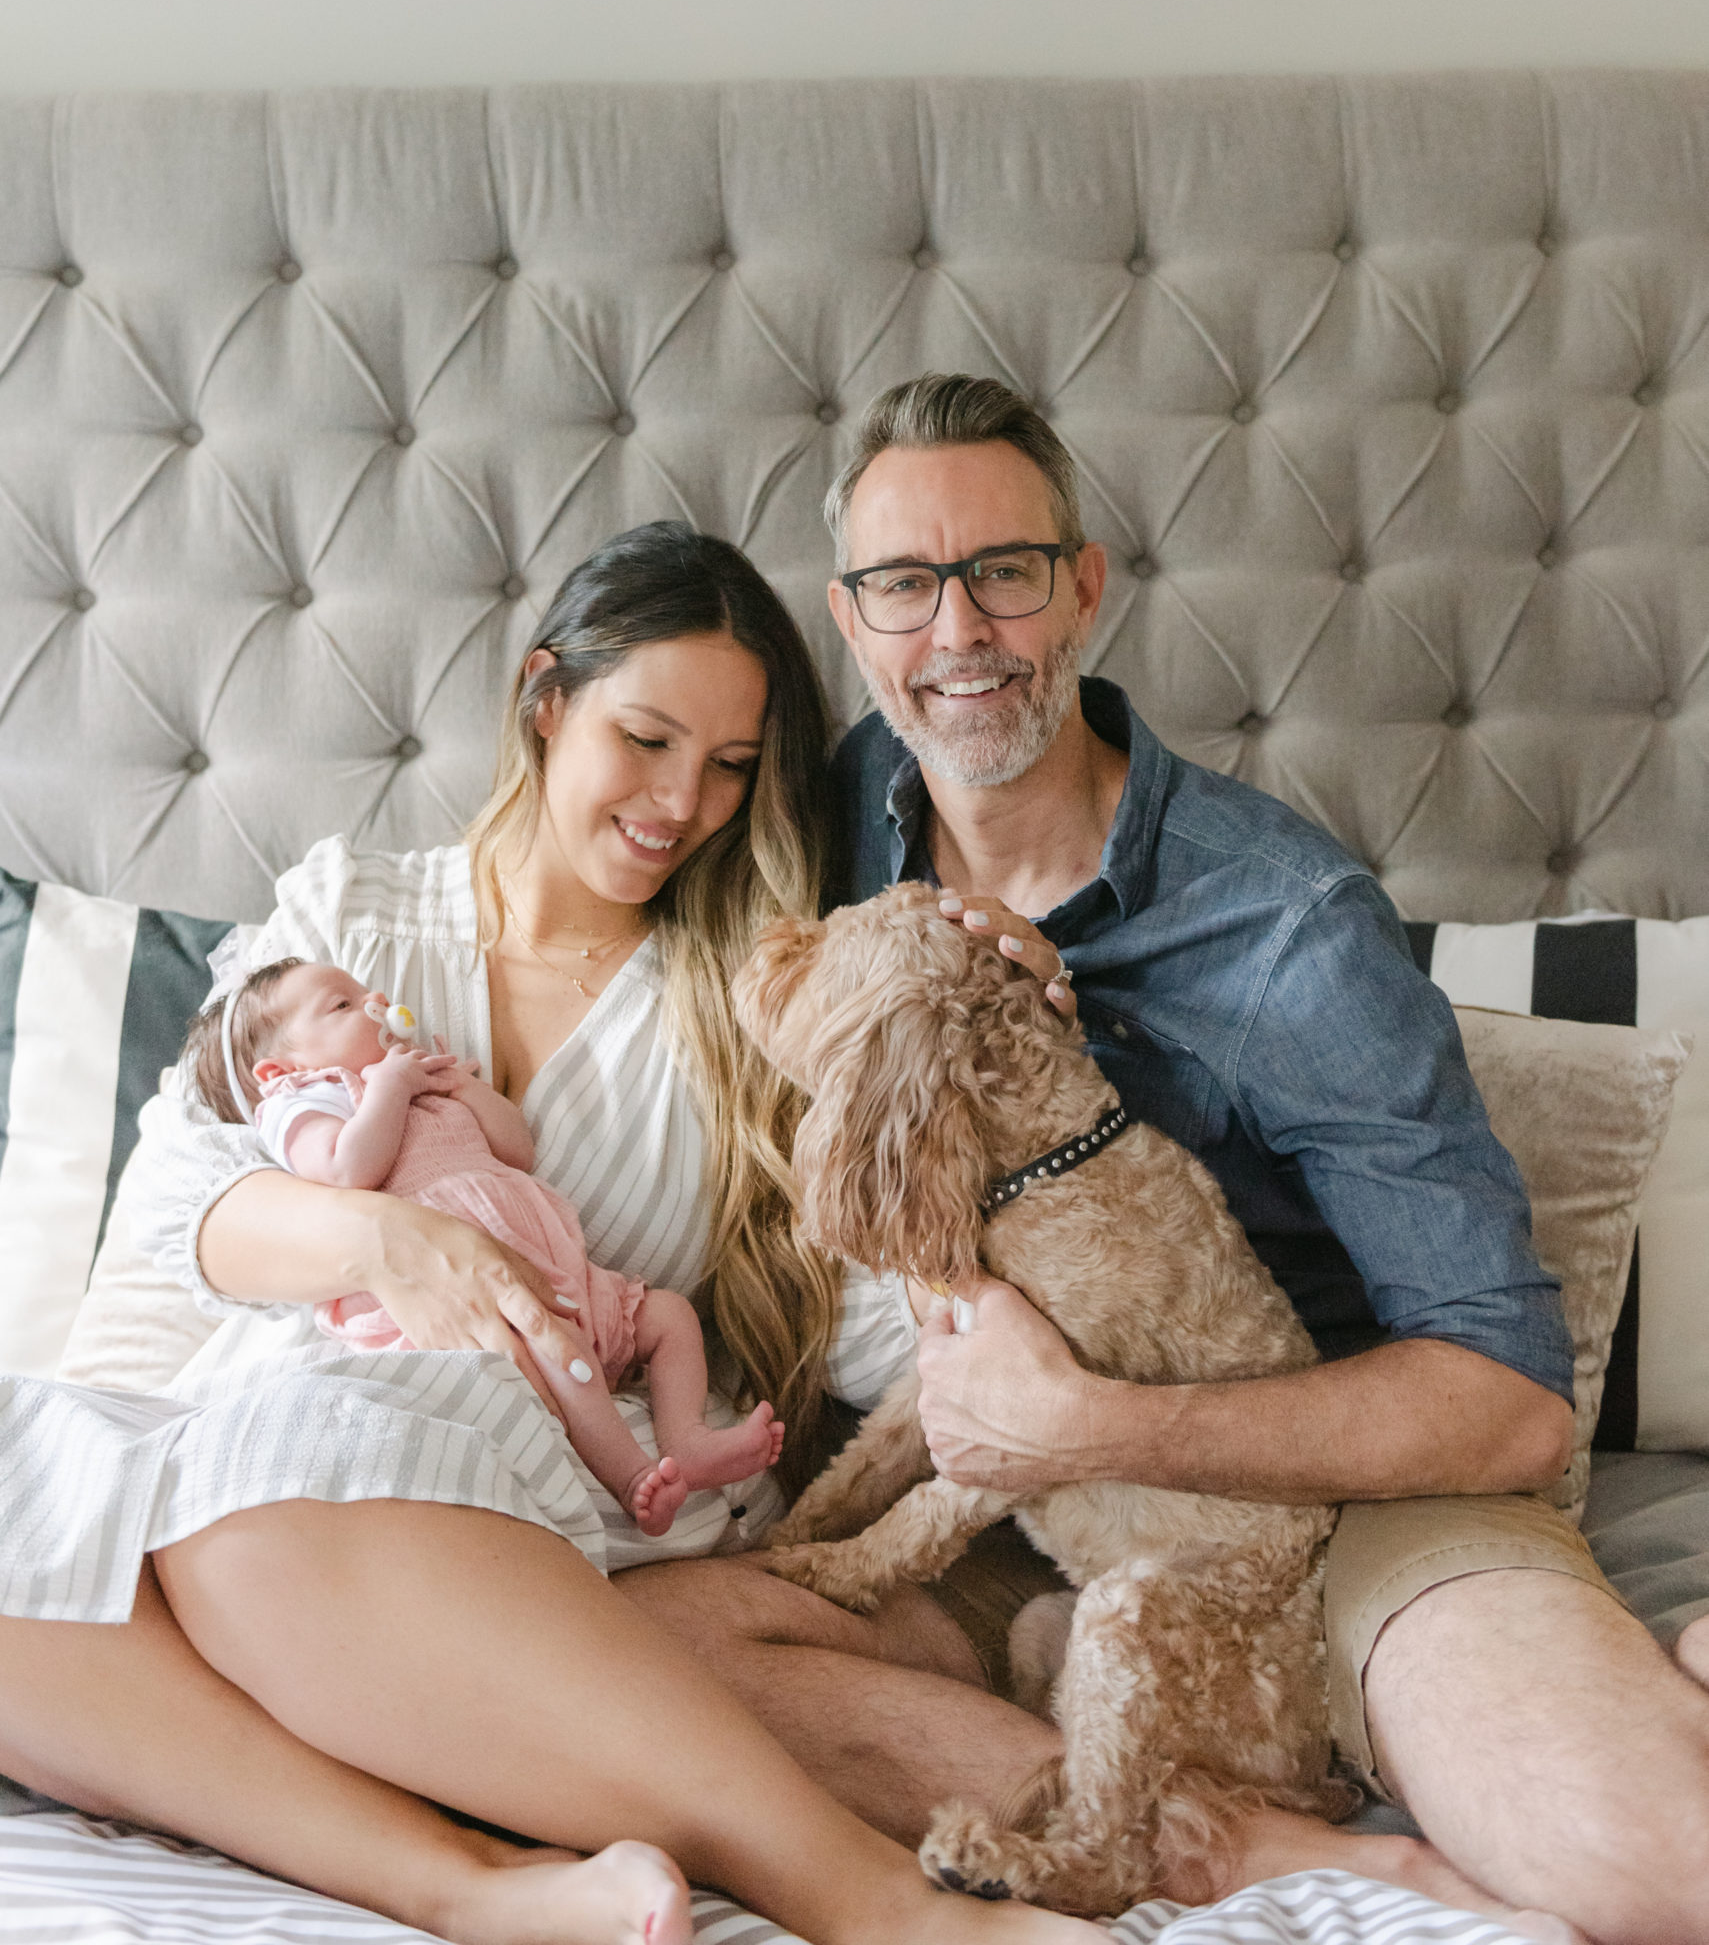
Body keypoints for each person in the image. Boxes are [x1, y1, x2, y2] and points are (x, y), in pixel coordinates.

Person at [619, 376, 1709, 1945]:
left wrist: (1093, 1422)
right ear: (852, 621)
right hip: (1022, 1538)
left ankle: (1599, 1717)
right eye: (904, 587)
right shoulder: (822, 818)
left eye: (1002, 572)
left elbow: (1510, 1393)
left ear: (1082, 586)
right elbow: (578, 884)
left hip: (1358, 1511)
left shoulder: (1286, 930)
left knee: (1663, 1873)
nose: (959, 634)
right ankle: (1216, 1838)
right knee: (646, 1646)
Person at [0, 520, 1096, 1945]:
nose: (679, 805)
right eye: (644, 740)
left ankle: (866, 1897)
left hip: (542, 1479)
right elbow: (174, 1206)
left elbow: (886, 1297)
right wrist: (392, 1247)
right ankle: (471, 1881)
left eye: (727, 768)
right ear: (543, 701)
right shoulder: (354, 918)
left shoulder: (748, 995)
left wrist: (1034, 1228)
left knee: (261, 1519)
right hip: (282, 1416)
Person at [192, 957, 785, 1534]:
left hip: (553, 1268)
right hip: (470, 1305)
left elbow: (515, 1151)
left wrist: (463, 1090)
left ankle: (688, 1438)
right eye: (343, 1004)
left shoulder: (417, 1076)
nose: (373, 1003)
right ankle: (631, 1479)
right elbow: (349, 1171)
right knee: (560, 1348)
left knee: (669, 1316)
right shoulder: (308, 1100)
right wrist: (388, 1091)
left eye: (366, 991)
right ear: (278, 1070)